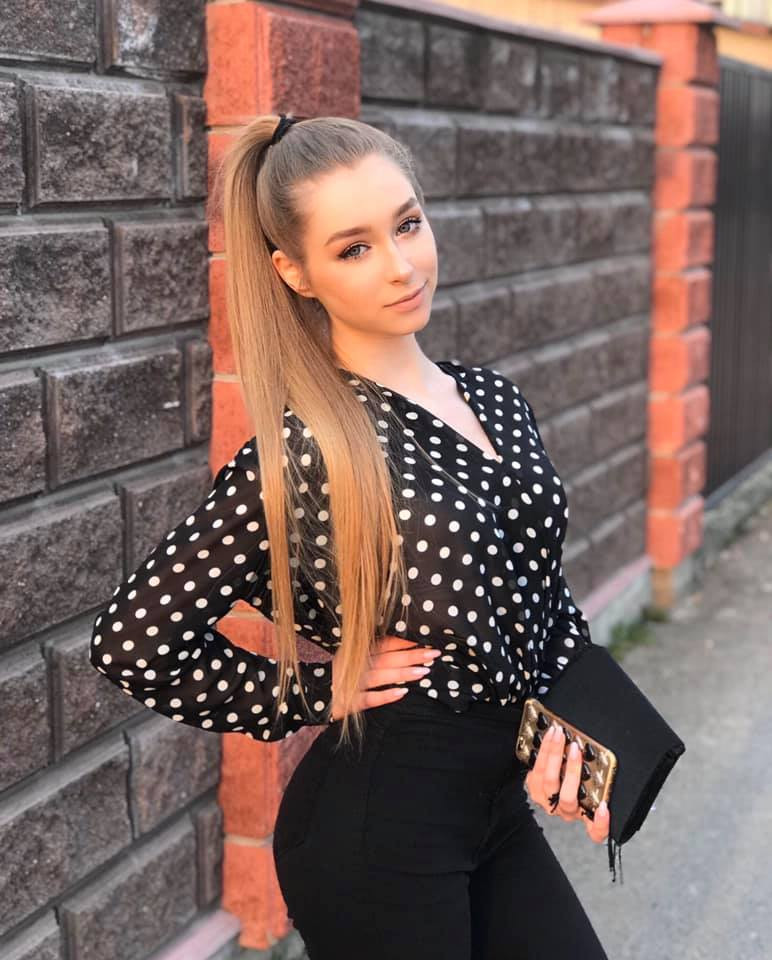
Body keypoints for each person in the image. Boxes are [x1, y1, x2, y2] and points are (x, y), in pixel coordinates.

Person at [89, 113, 611, 959]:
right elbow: (134, 642)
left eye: (407, 224)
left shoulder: (494, 399)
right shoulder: (306, 452)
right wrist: (309, 691)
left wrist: (581, 731)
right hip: (377, 839)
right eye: (355, 248)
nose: (401, 266)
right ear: (295, 272)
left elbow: (541, 601)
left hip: (495, 812)